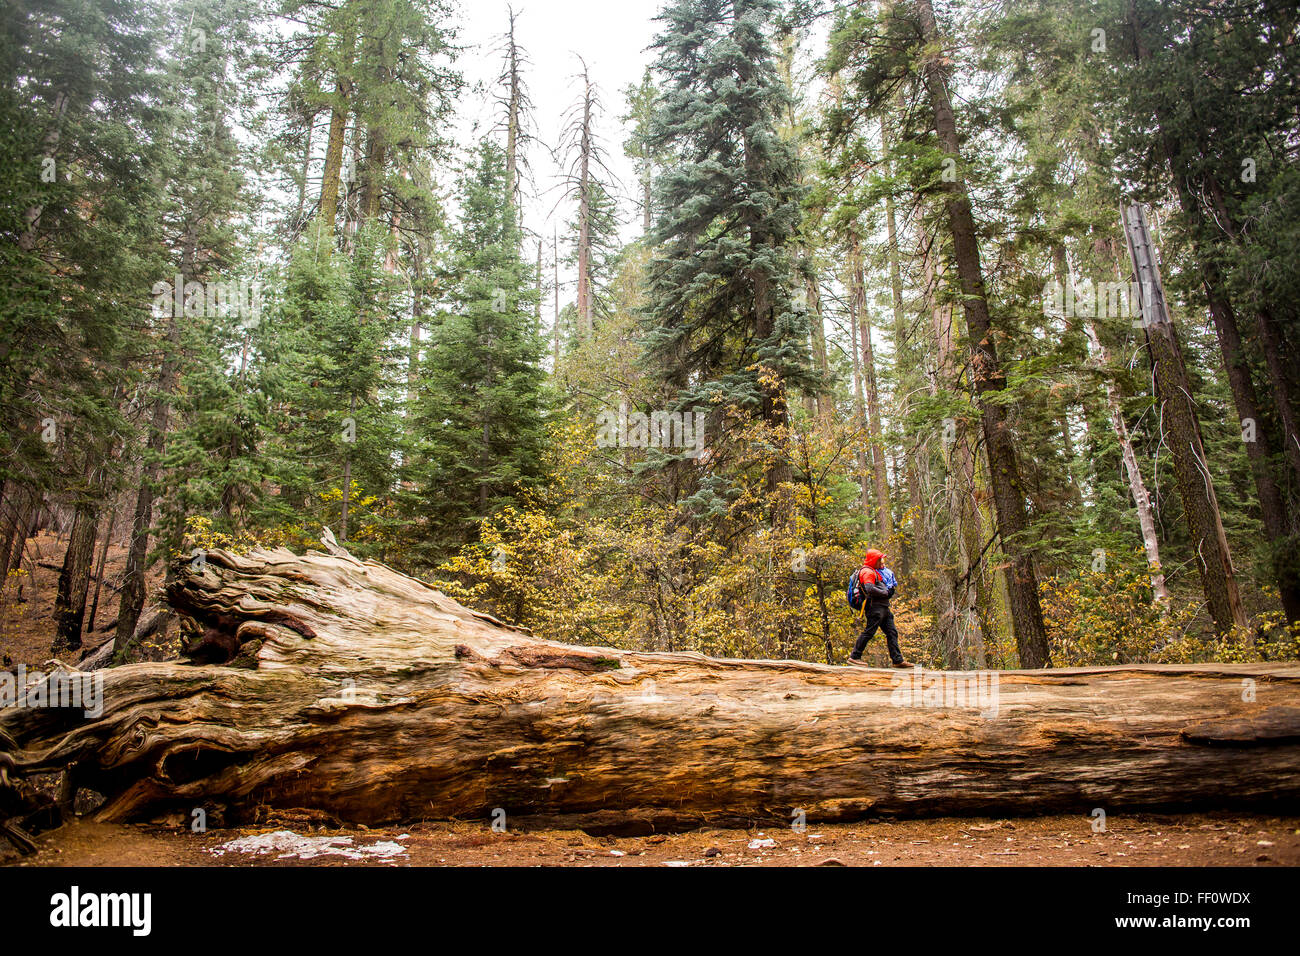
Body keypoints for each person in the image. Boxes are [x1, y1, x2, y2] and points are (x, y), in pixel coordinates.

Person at [847, 548, 911, 668]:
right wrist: (885, 593)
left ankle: (897, 660)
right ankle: (854, 656)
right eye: (879, 559)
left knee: (892, 632)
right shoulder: (867, 572)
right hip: (875, 608)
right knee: (869, 632)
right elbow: (869, 588)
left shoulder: (874, 571)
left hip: (883, 608)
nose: (881, 562)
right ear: (873, 560)